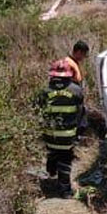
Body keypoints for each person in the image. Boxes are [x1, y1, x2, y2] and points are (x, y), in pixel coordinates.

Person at [40, 60, 84, 198]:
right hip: (68, 136)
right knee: (65, 160)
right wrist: (80, 132)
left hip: (50, 135)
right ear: (69, 75)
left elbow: (38, 112)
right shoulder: (76, 91)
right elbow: (81, 114)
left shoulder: (45, 92)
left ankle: (51, 173)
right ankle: (65, 191)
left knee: (53, 153)